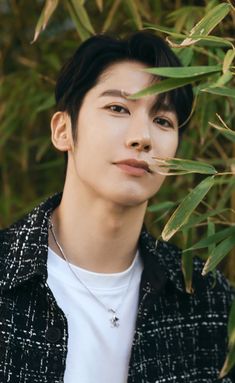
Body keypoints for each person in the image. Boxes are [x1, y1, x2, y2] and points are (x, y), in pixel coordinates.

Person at [0, 31, 234, 383]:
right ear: (63, 130)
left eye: (162, 120)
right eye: (118, 108)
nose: (142, 137)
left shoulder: (210, 302)